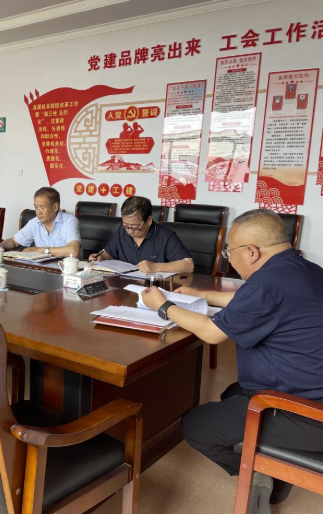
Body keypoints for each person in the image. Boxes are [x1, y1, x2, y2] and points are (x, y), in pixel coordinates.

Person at [141, 209, 323, 512]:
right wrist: (203, 295)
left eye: (229, 251)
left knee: (195, 425)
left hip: (307, 413)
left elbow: (211, 333)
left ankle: (270, 472)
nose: (228, 258)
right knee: (231, 394)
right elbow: (251, 301)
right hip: (308, 389)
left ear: (251, 252)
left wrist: (162, 306)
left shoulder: (266, 283)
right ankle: (269, 455)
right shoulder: (304, 270)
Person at [90, 196, 193, 273]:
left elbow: (188, 265)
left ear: (149, 220)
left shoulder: (165, 236)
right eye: (126, 225)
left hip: (154, 289)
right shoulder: (122, 231)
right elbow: (109, 253)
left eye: (135, 227)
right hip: (125, 288)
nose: (129, 231)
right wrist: (101, 257)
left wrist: (155, 267)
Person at [0, 187, 81, 258]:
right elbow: (14, 241)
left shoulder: (69, 221)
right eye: (36, 207)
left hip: (67, 269)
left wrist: (40, 250)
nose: (38, 212)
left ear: (55, 207)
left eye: (42, 207)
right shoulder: (34, 222)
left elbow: (73, 251)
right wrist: (1, 245)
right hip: (42, 268)